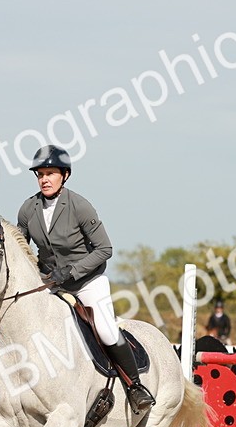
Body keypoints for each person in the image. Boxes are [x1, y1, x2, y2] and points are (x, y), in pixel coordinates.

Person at [16, 144, 154, 413]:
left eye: (50, 173)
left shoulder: (80, 206)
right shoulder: (27, 209)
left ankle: (135, 386)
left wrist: (72, 271)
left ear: (64, 175)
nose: (44, 179)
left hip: (87, 282)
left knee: (105, 329)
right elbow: (22, 249)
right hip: (51, 284)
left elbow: (105, 249)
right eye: (40, 174)